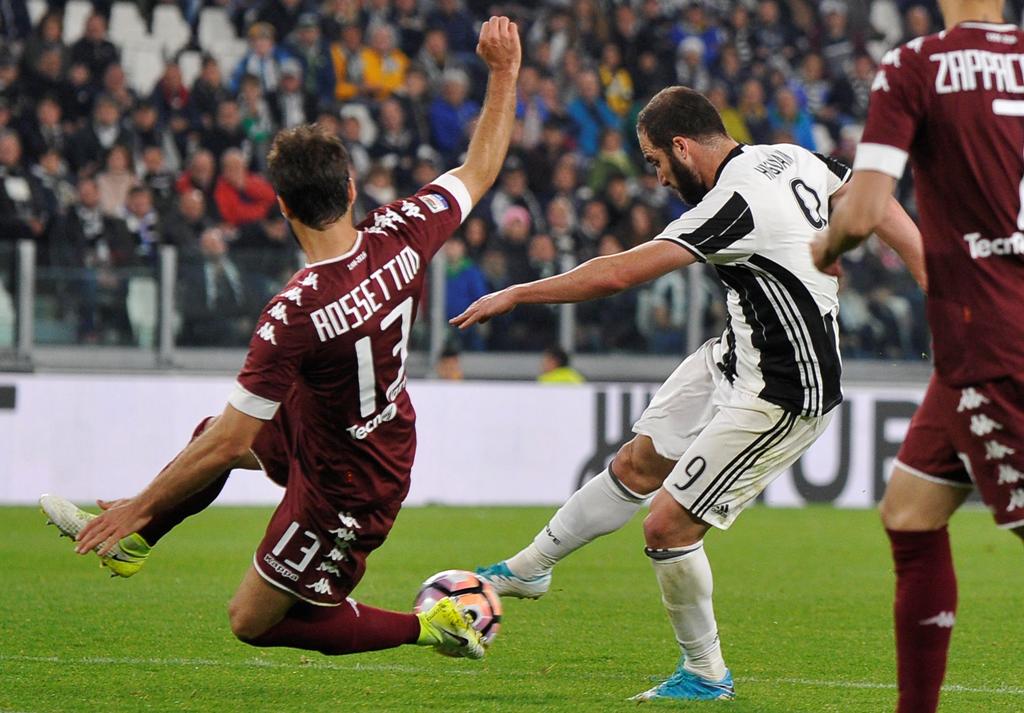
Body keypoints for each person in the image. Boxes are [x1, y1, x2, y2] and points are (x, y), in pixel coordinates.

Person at [40, 16, 522, 663]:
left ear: (283, 206)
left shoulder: (294, 312)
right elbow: (481, 166)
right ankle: (137, 540)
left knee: (251, 618)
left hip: (350, 480)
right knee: (213, 432)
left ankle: (431, 626)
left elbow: (229, 444)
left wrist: (136, 503)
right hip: (359, 428)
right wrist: (504, 71)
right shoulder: (401, 230)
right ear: (350, 188)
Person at [452, 86, 924, 701]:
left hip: (786, 389)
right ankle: (530, 569)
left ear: (681, 146)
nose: (658, 178)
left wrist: (518, 293)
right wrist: (929, 272)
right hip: (736, 353)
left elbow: (619, 273)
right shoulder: (788, 156)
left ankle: (705, 674)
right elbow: (870, 198)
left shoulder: (731, 203)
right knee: (638, 463)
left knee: (668, 526)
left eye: (655, 161)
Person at [811, 2, 1024, 711]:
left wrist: (826, 243)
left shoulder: (916, 64)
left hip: (990, 339)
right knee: (909, 512)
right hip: (979, 343)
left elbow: (866, 208)